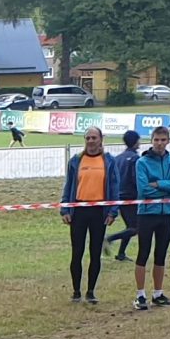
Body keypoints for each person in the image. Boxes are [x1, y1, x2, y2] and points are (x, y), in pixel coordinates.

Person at [61, 126, 126, 304]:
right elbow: (68, 186)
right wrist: (65, 209)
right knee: (77, 252)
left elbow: (114, 187)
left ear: (101, 139)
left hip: (99, 212)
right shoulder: (76, 160)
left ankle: (90, 292)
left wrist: (113, 211)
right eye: (88, 138)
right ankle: (76, 291)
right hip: (79, 211)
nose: (90, 141)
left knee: (95, 253)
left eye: (94, 138)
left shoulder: (109, 161)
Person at [133, 125, 170, 310]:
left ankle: (158, 293)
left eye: (163, 140)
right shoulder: (142, 162)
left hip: (166, 214)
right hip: (147, 214)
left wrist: (159, 184)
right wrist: (167, 186)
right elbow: (143, 190)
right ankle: (140, 295)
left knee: (161, 254)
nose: (159, 143)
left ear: (168, 141)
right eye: (156, 140)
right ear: (151, 140)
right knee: (143, 253)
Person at [106, 129, 143, 261]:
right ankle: (109, 238)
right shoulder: (135, 159)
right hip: (131, 197)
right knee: (135, 228)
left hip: (118, 196)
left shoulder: (117, 158)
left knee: (130, 226)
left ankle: (121, 254)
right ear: (136, 142)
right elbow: (136, 179)